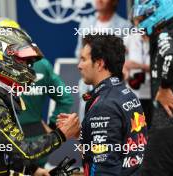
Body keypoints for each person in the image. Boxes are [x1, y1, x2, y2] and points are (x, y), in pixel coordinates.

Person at [0, 26, 80, 175]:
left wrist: (33, 170)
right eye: (22, 61)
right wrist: (61, 135)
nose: (28, 68)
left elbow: (3, 152)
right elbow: (24, 151)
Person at [0, 17, 74, 167]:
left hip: (7, 143)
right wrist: (53, 126)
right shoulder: (41, 64)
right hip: (39, 139)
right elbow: (66, 98)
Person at [60, 34, 147, 175]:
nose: (79, 66)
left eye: (83, 59)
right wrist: (79, 134)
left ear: (99, 64)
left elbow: (105, 166)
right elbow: (117, 144)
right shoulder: (126, 93)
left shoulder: (103, 105)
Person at [132, 0, 173, 175]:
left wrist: (164, 88)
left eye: (142, 17)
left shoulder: (165, 34)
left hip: (167, 125)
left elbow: (171, 58)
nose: (138, 25)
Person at [75, 0, 131, 121]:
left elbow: (126, 59)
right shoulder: (85, 22)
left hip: (113, 88)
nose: (99, 0)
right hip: (88, 88)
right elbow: (78, 53)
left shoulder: (125, 26)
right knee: (86, 130)